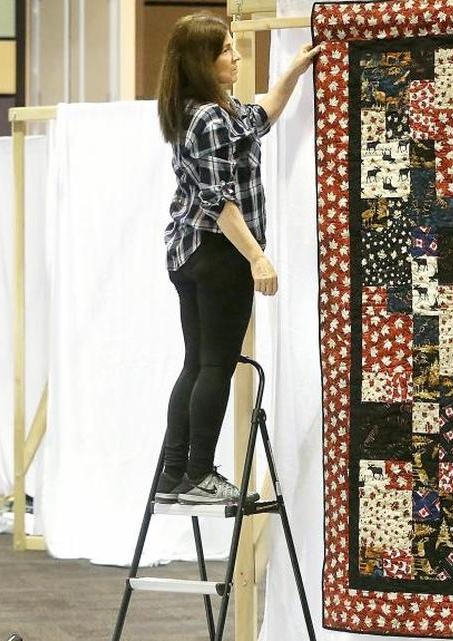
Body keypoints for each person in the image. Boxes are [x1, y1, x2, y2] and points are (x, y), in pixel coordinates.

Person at [154, 13, 321, 504]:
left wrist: (292, 70)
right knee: (215, 366)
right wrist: (257, 258)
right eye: (227, 49)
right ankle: (199, 473)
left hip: (193, 252)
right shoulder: (206, 117)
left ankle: (175, 474)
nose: (236, 55)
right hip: (214, 253)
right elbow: (219, 201)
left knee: (198, 364)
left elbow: (263, 114)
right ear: (202, 61)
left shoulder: (213, 110)